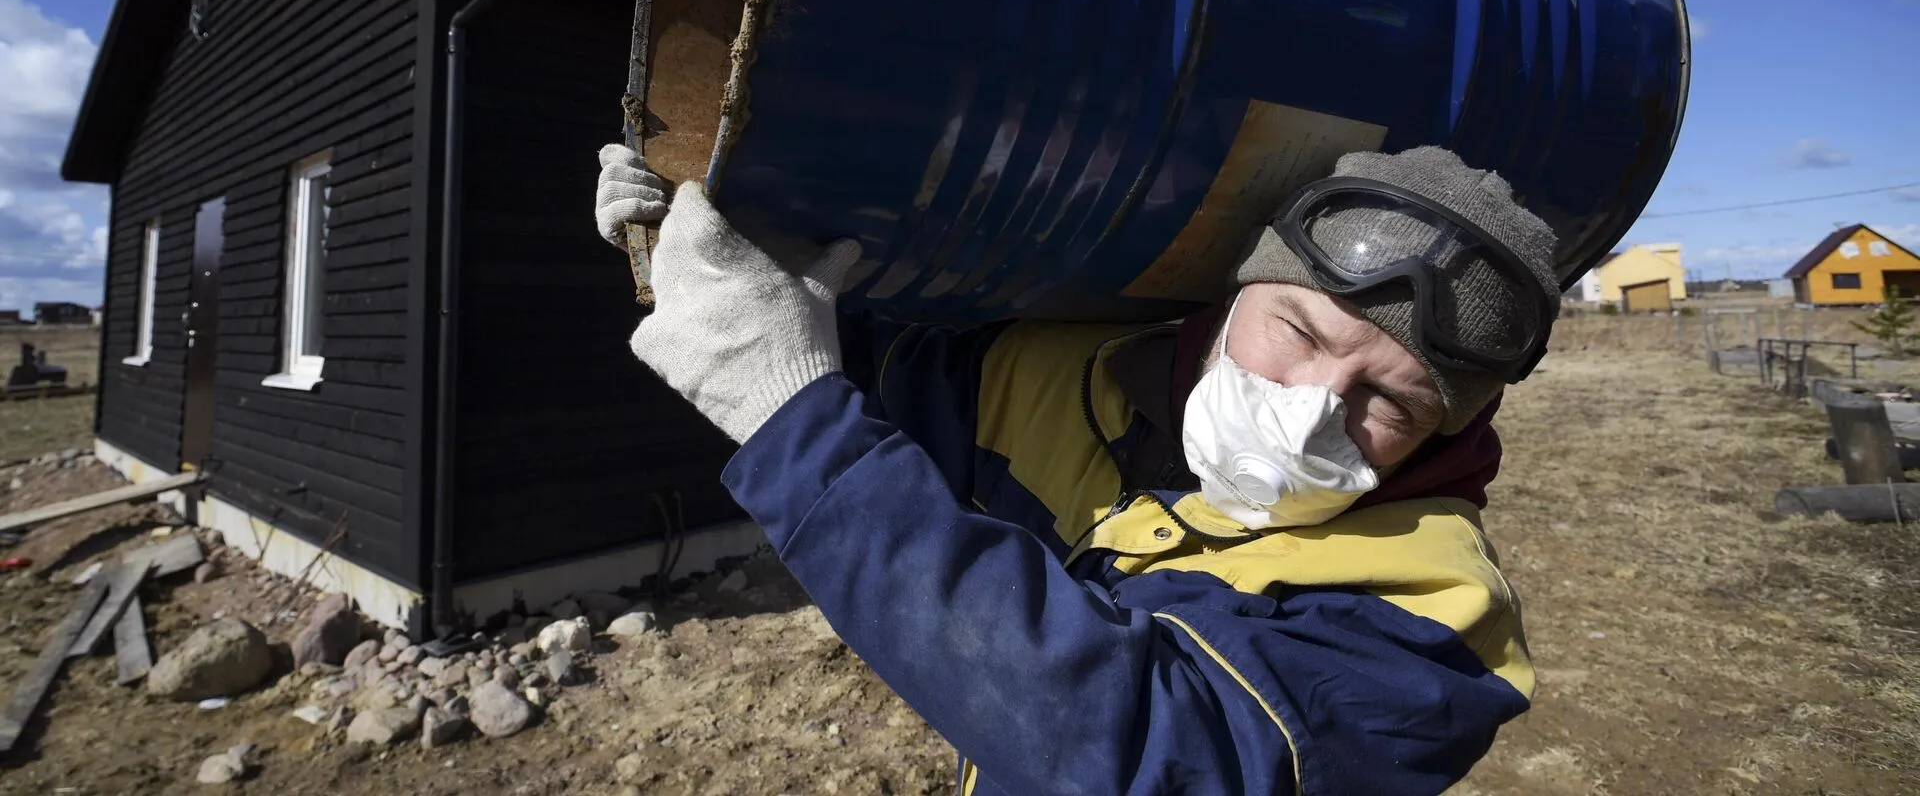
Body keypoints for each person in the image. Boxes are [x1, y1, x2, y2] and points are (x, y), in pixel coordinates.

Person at [593, 142, 1560, 796]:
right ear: (1239, 293)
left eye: (1387, 401)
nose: (1311, 408)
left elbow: (1149, 750)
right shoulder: (1067, 377)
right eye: (1297, 331)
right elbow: (828, 363)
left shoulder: (1438, 615)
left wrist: (791, 415)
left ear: (1442, 433)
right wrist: (712, 249)